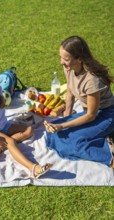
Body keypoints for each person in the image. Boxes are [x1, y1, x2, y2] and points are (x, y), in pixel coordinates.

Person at [0, 67, 52, 178]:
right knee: (10, 142)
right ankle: (33, 168)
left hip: (4, 125)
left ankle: (0, 147)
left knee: (29, 130)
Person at [44, 36, 114, 168]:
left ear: (80, 59)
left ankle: (109, 156)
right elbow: (70, 90)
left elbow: (91, 116)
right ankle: (101, 138)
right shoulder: (69, 68)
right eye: (61, 57)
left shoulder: (91, 80)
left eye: (65, 59)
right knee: (52, 133)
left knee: (73, 142)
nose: (61, 62)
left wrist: (64, 126)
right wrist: (66, 117)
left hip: (106, 115)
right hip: (89, 113)